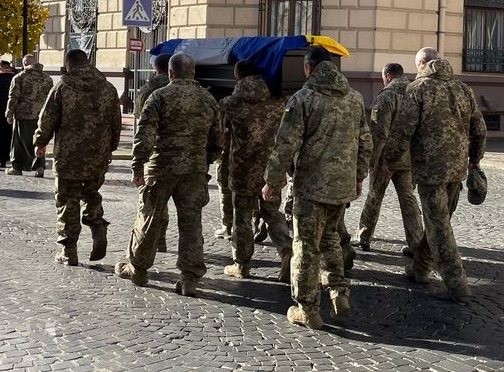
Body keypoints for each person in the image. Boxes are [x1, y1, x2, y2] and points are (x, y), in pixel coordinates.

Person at [263, 47, 371, 329]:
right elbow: (365, 142)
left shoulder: (303, 98)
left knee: (305, 246)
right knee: (332, 239)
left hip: (310, 186)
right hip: (342, 184)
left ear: (308, 69)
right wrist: (358, 177)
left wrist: (272, 182)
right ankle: (338, 291)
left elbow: (286, 144)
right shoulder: (355, 98)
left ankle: (307, 308)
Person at [381, 47, 486, 302]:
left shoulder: (418, 89)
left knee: (439, 226)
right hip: (457, 170)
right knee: (439, 220)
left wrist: (388, 160)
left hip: (430, 170)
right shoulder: (463, 89)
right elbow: (480, 129)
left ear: (422, 64)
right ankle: (420, 268)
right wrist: (474, 162)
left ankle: (457, 284)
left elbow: (402, 131)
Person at [117, 53, 222, 297]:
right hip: (194, 170)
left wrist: (137, 166)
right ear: (193, 72)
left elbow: (144, 135)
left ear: (170, 73)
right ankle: (189, 278)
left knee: (149, 218)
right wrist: (203, 160)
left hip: (161, 167)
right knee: (191, 223)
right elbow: (218, 140)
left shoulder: (160, 96)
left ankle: (139, 269)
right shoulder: (208, 100)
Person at [33, 49, 122, 266]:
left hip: (69, 155)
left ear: (69, 64)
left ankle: (68, 250)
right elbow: (116, 122)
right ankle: (97, 224)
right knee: (91, 193)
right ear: (88, 63)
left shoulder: (62, 86)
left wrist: (40, 142)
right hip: (97, 154)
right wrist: (111, 147)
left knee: (67, 199)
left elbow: (47, 119)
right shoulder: (108, 88)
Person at [218, 59, 293, 281]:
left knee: (241, 217)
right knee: (272, 212)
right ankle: (287, 251)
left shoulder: (229, 104)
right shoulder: (278, 101)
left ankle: (241, 264)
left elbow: (220, 135)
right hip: (271, 169)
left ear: (237, 77)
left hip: (242, 169)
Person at [356, 62, 424, 256]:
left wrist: (374, 161)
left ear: (387, 75)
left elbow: (379, 133)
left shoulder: (386, 96)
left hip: (386, 159)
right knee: (408, 199)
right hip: (408, 158)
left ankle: (364, 237)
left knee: (374, 197)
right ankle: (416, 242)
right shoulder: (415, 92)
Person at [136, 53, 172, 252]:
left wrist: (138, 162)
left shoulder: (149, 89)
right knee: (190, 212)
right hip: (191, 158)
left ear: (156, 69)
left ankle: (158, 240)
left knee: (154, 203)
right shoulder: (197, 91)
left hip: (156, 155)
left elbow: (142, 125)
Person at [6, 55, 53, 176]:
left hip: (23, 114)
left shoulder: (20, 77)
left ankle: (17, 167)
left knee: (19, 142)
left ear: (25, 63)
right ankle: (39, 166)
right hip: (41, 115)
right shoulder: (47, 78)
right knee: (39, 140)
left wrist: (9, 113)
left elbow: (13, 97)